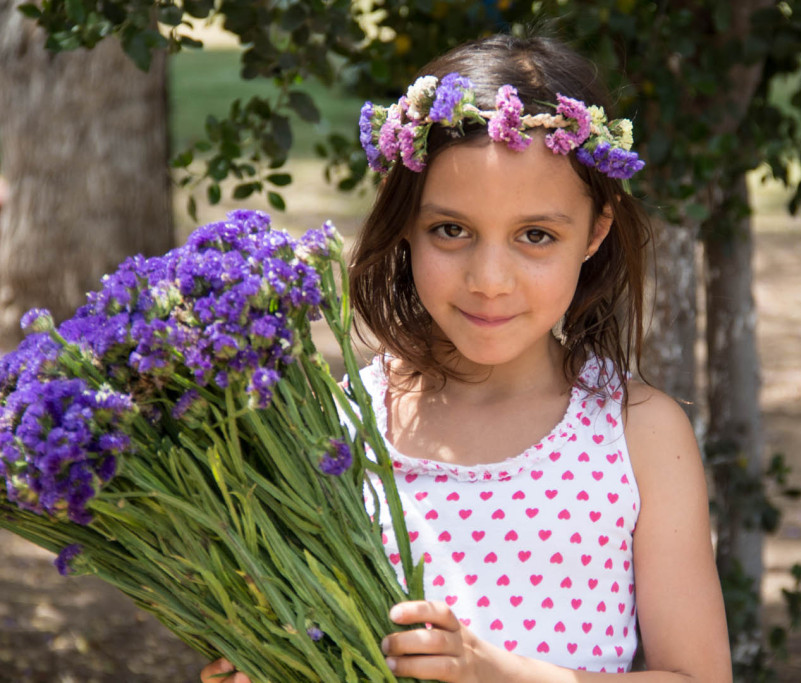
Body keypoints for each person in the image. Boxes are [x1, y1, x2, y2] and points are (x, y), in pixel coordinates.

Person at [202, 34, 731, 682]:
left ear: (595, 231)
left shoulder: (637, 433)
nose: (489, 278)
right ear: (405, 223)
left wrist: (495, 674)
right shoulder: (337, 427)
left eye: (535, 235)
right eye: (451, 230)